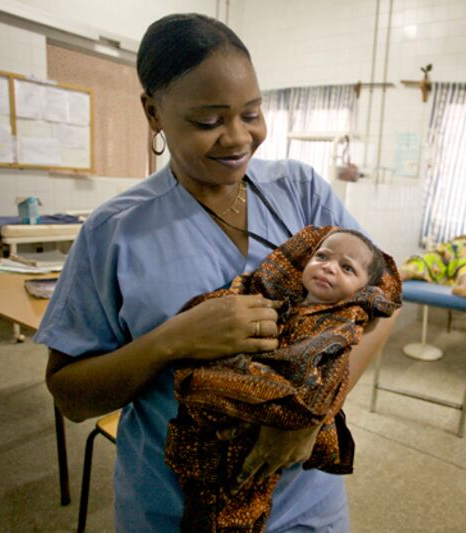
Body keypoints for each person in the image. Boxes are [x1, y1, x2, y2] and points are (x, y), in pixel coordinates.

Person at [36, 13, 397, 533]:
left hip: (305, 502)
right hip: (175, 505)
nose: (238, 138)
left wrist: (311, 415)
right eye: (208, 121)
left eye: (251, 113)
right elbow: (71, 395)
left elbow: (384, 299)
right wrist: (172, 340)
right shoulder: (117, 231)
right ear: (153, 112)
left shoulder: (298, 189)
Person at [166, 225, 401, 530]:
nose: (328, 266)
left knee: (244, 493)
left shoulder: (342, 325)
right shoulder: (275, 296)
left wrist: (262, 389)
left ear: (362, 290)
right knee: (202, 490)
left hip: (271, 421)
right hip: (214, 426)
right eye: (322, 256)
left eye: (346, 268)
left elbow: (318, 394)